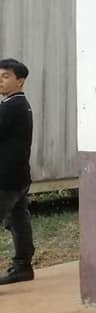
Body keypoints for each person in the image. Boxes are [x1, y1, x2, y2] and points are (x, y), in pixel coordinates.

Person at [0, 58, 34, 286]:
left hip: (5, 179)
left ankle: (22, 266)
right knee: (20, 220)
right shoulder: (21, 104)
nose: (0, 81)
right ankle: (23, 267)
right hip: (19, 177)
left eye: (5, 76)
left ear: (20, 81)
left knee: (19, 220)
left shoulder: (10, 107)